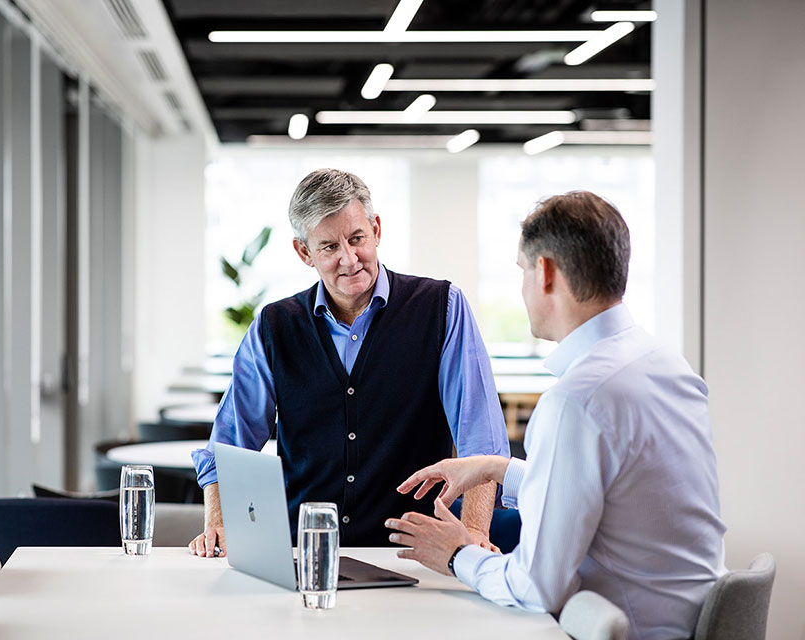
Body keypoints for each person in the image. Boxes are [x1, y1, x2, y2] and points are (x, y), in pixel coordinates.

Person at [387, 191, 726, 640]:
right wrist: (497, 469)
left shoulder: (577, 399)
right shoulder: (663, 363)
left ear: (544, 272)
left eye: (521, 271)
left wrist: (456, 554)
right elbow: (618, 495)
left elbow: (536, 588)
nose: (523, 287)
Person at [188, 168, 509, 556]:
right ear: (304, 252)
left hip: (413, 554)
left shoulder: (442, 308)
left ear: (376, 229)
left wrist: (475, 529)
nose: (349, 258)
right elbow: (229, 445)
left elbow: (482, 440)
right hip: (302, 552)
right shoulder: (274, 327)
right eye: (328, 247)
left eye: (357, 238)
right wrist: (218, 523)